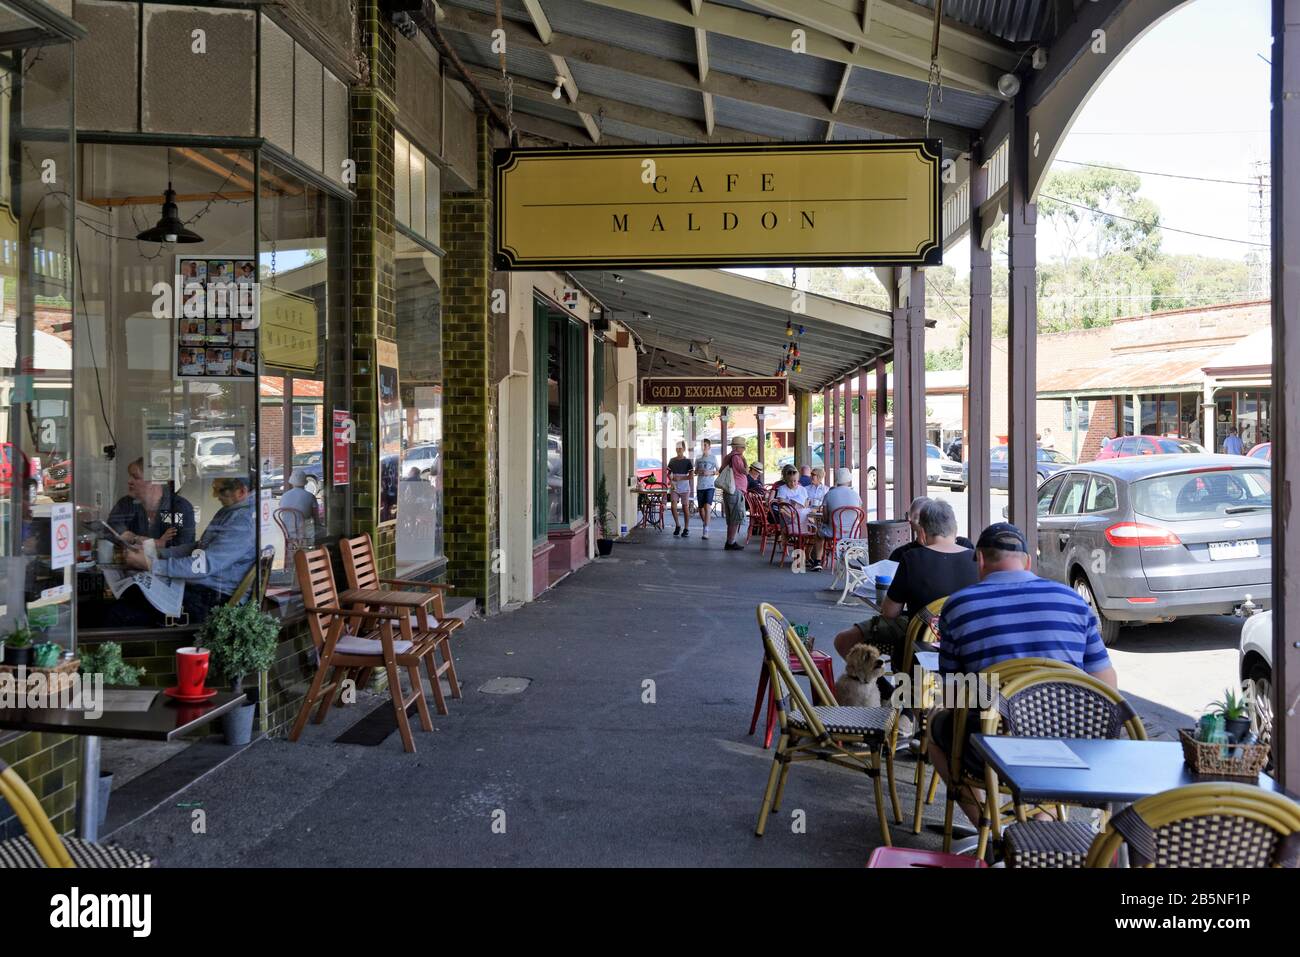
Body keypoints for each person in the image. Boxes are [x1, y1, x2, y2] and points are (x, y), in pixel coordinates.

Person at [926, 522, 1118, 825]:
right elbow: (1106, 686)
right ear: (1028, 561)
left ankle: (990, 827)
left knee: (936, 725)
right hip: (1069, 748)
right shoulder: (1073, 601)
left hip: (995, 749)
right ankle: (1041, 817)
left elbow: (953, 695)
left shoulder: (959, 606)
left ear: (979, 559)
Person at [834, 498, 976, 661]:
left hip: (921, 639)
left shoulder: (912, 558)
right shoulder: (976, 560)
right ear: (955, 529)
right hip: (964, 640)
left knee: (843, 640)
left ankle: (875, 683)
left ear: (922, 532)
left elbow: (890, 612)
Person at [121, 476, 257, 625]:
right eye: (214, 489)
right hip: (205, 585)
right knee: (133, 592)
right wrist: (158, 553)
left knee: (126, 607)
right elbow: (200, 547)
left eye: (221, 490)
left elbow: (203, 564)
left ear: (241, 491)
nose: (214, 495)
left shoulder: (243, 522)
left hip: (215, 597)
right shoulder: (231, 510)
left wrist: (151, 565)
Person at [107, 457, 195, 551]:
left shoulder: (178, 507)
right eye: (130, 476)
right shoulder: (125, 504)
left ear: (155, 481)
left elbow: (181, 548)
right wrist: (158, 543)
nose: (129, 481)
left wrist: (134, 539)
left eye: (136, 477)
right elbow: (111, 532)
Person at [889, 495, 971, 562]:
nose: (926, 521)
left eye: (931, 517)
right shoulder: (901, 554)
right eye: (920, 518)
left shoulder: (964, 545)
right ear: (911, 522)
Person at [809, 467, 861, 571]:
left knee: (819, 534)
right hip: (853, 533)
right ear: (848, 480)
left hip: (834, 532)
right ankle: (846, 558)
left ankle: (818, 561)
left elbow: (825, 518)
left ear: (836, 480)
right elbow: (859, 514)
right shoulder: (856, 495)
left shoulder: (829, 494)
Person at [720, 436, 749, 550]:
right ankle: (731, 542)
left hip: (729, 490)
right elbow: (744, 471)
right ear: (738, 447)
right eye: (743, 447)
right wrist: (745, 461)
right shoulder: (737, 458)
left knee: (731, 516)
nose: (744, 450)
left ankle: (730, 540)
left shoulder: (728, 457)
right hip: (735, 490)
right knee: (736, 516)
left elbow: (721, 469)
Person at [666, 441, 695, 537]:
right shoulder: (672, 460)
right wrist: (670, 478)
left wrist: (681, 478)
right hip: (674, 487)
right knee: (673, 507)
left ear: (684, 449)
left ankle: (686, 528)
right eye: (677, 447)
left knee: (685, 507)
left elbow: (691, 476)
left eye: (680, 448)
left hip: (685, 488)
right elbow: (668, 473)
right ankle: (677, 525)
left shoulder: (687, 462)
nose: (678, 449)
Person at [694, 438, 718, 540]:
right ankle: (705, 523)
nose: (703, 447)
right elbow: (695, 472)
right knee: (701, 509)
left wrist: (710, 472)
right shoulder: (698, 458)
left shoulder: (713, 458)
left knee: (707, 507)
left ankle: (706, 530)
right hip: (700, 486)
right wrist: (699, 471)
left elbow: (718, 471)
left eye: (705, 445)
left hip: (710, 486)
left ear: (709, 447)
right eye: (702, 445)